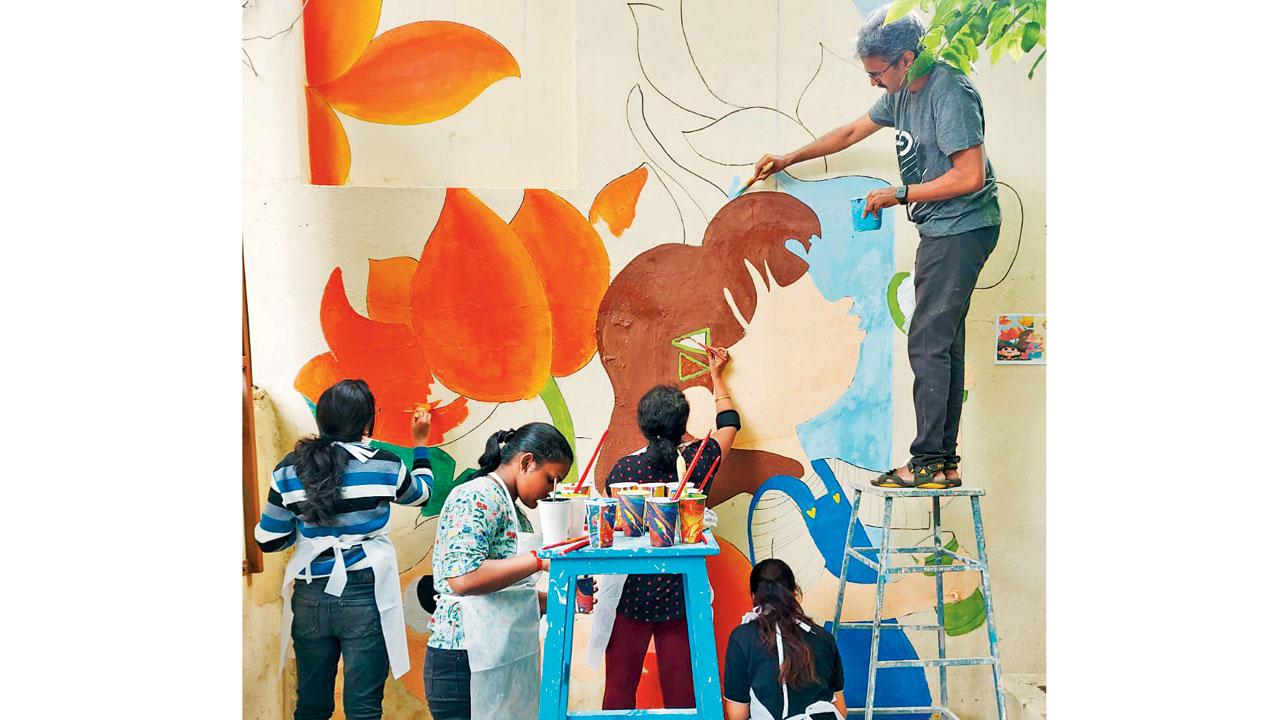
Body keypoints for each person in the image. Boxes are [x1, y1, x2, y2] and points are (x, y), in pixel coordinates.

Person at [753, 4, 1002, 489]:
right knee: (941, 342)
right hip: (942, 230)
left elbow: (970, 176)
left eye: (876, 73)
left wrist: (899, 194)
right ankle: (942, 461)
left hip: (962, 227)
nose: (872, 83)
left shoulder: (948, 91)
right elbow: (850, 132)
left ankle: (928, 461)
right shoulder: (901, 93)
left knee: (928, 341)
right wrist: (788, 158)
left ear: (906, 58)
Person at [254, 379, 435, 720]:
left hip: (310, 596)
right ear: (367, 423)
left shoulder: (289, 470)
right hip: (366, 595)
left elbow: (270, 540)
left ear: (322, 420)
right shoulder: (385, 464)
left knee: (311, 706)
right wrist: (420, 443)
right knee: (363, 708)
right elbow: (423, 493)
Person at [598, 350, 741, 711]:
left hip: (629, 594)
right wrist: (717, 377)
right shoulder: (700, 461)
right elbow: (729, 424)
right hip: (680, 592)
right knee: (684, 697)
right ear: (683, 425)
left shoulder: (620, 472)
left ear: (643, 426)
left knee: (617, 691)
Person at [423, 422, 582, 720]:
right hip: (462, 660)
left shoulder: (517, 514)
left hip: (499, 657)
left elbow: (506, 595)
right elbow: (463, 578)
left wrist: (559, 600)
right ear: (526, 462)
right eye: (551, 479)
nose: (551, 492)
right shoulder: (475, 496)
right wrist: (539, 559)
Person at [723, 559, 846, 720]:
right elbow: (841, 710)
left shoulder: (742, 639)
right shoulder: (823, 637)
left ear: (754, 596)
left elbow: (737, 715)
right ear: (795, 593)